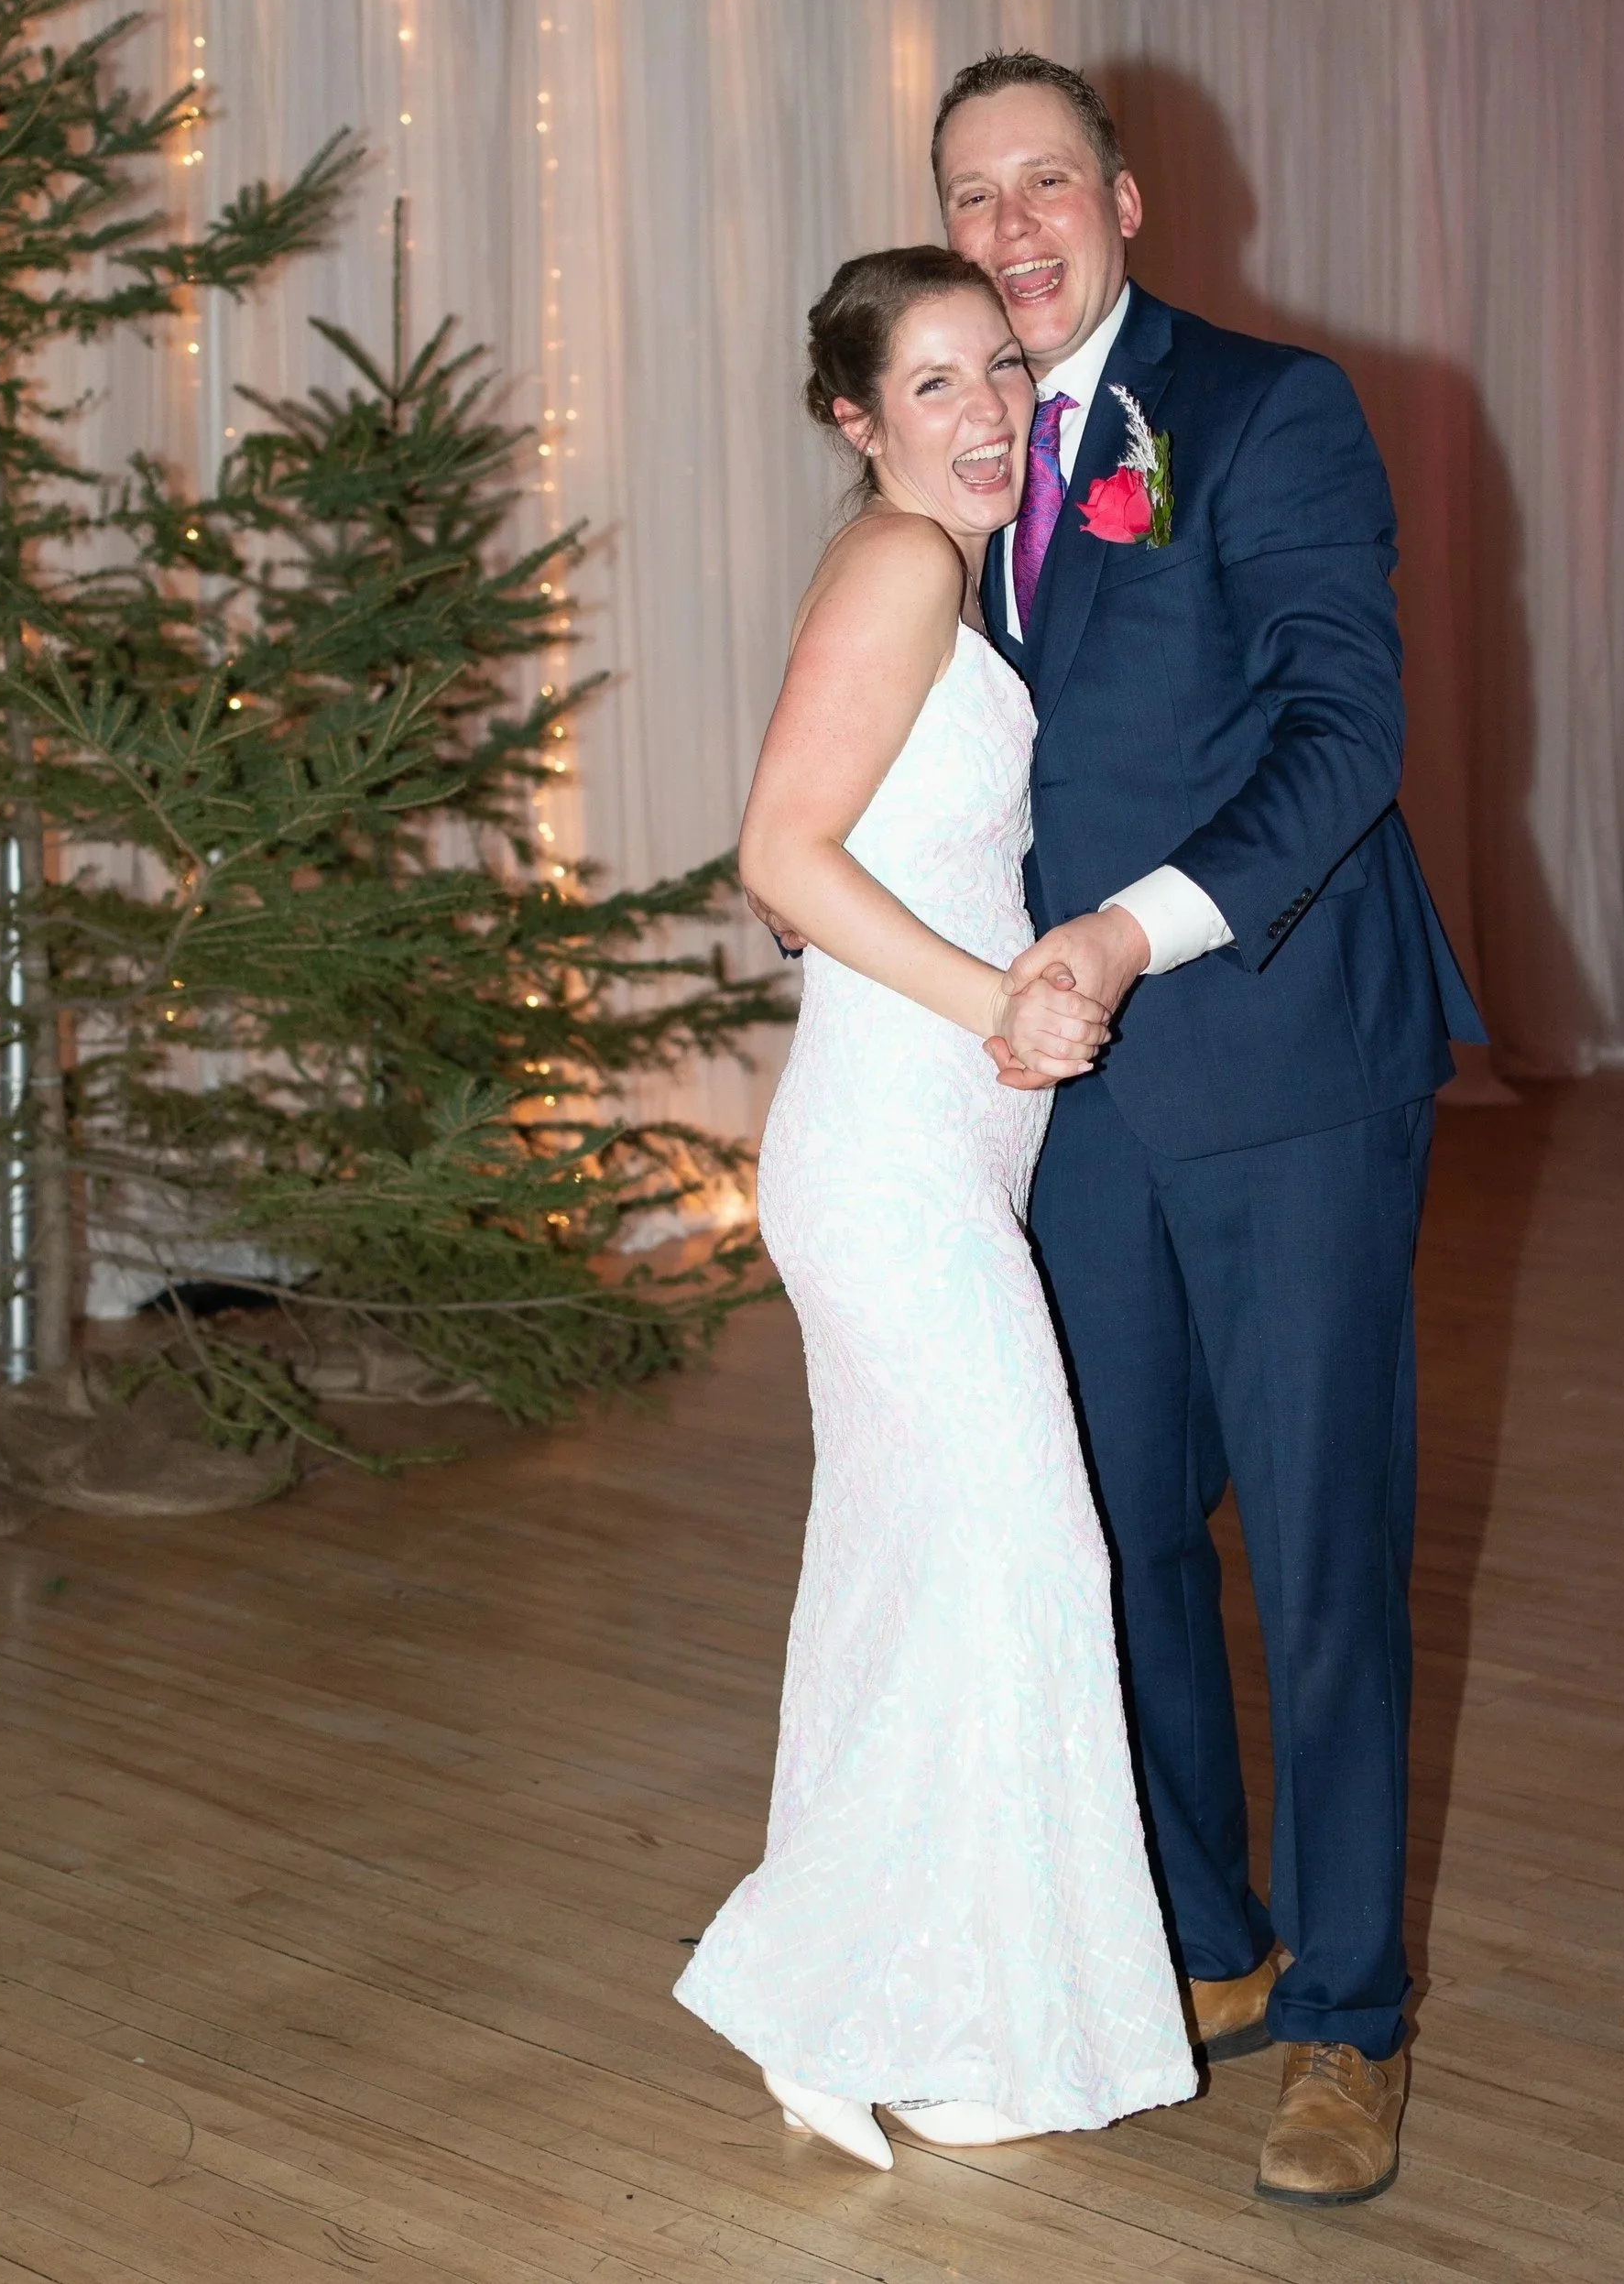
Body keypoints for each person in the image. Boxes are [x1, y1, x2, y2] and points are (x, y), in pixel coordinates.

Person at [933, 49, 1487, 2211]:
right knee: (1122, 1534)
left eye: (1042, 179)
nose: (1008, 225)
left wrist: (1116, 935)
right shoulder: (959, 457)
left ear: (1129, 196)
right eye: (969, 194)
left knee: (1325, 1556)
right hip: (1061, 1107)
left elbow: (1350, 728)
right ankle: (1208, 1936)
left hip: (1280, 1064)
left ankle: (1352, 2015)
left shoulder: (1268, 408)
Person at [674, 243, 1196, 2169]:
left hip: (929, 1160)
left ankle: (885, 2006)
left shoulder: (951, 575)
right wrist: (1005, 1003)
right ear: (853, 418)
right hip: (890, 1168)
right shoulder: (899, 565)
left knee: (909, 1578)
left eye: (995, 371)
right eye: (928, 387)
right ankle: (828, 1986)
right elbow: (778, 853)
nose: (980, 413)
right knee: (1024, 1563)